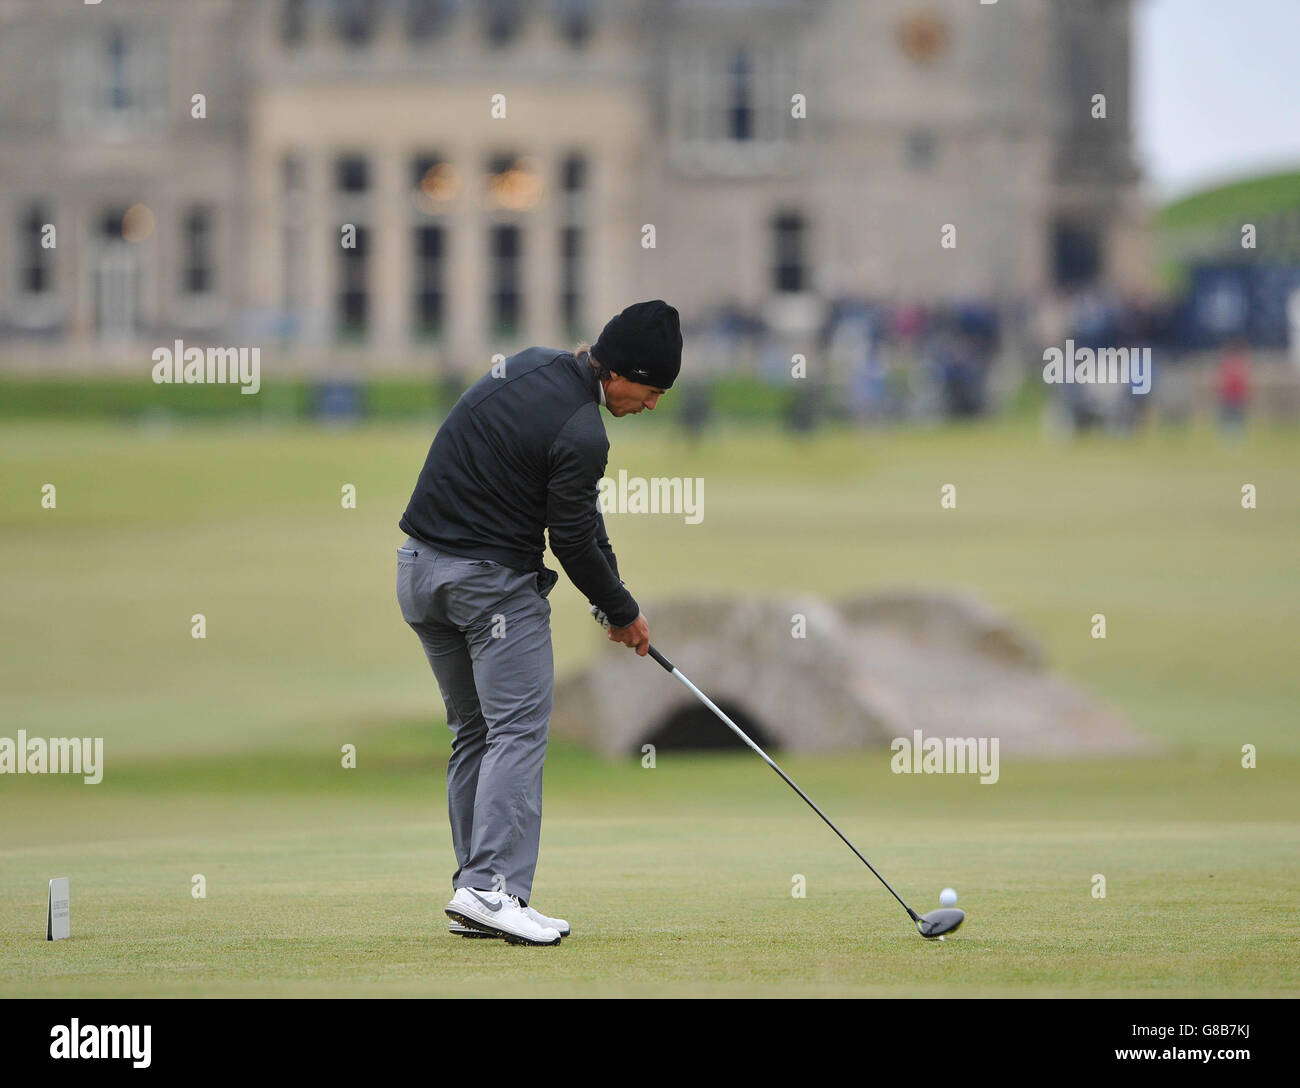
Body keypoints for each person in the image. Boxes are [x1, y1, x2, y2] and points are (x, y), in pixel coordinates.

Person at [395, 299, 682, 945]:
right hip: (488, 587)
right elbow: (573, 541)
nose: (654, 404)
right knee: (518, 732)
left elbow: (581, 520)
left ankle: (476, 890)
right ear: (622, 375)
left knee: (475, 731)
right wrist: (624, 613)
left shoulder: (528, 366)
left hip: (419, 573)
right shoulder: (584, 431)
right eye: (653, 390)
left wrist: (620, 604)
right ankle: (490, 888)